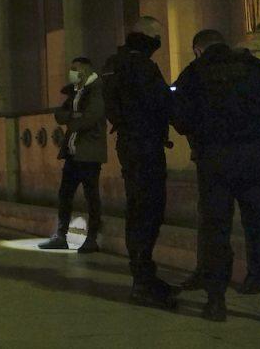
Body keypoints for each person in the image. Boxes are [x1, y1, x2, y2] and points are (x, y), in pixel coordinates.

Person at [172, 29, 260, 323]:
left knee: (216, 232)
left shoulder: (194, 73)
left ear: (198, 49)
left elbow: (181, 119)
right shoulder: (256, 67)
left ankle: (215, 302)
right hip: (254, 158)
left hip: (214, 162)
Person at [102, 16, 177, 308]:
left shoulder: (112, 64)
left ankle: (144, 275)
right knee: (149, 209)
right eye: (156, 36)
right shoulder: (141, 66)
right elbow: (160, 102)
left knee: (137, 208)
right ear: (144, 36)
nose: (158, 42)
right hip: (144, 144)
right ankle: (143, 281)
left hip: (128, 143)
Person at [38, 57, 106, 254]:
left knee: (91, 196)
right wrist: (74, 116)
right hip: (73, 153)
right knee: (65, 194)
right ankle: (61, 236)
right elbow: (60, 114)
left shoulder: (96, 89)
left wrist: (74, 118)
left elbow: (91, 118)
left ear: (85, 69)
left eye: (74, 68)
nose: (71, 72)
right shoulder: (77, 91)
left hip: (89, 154)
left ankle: (92, 238)